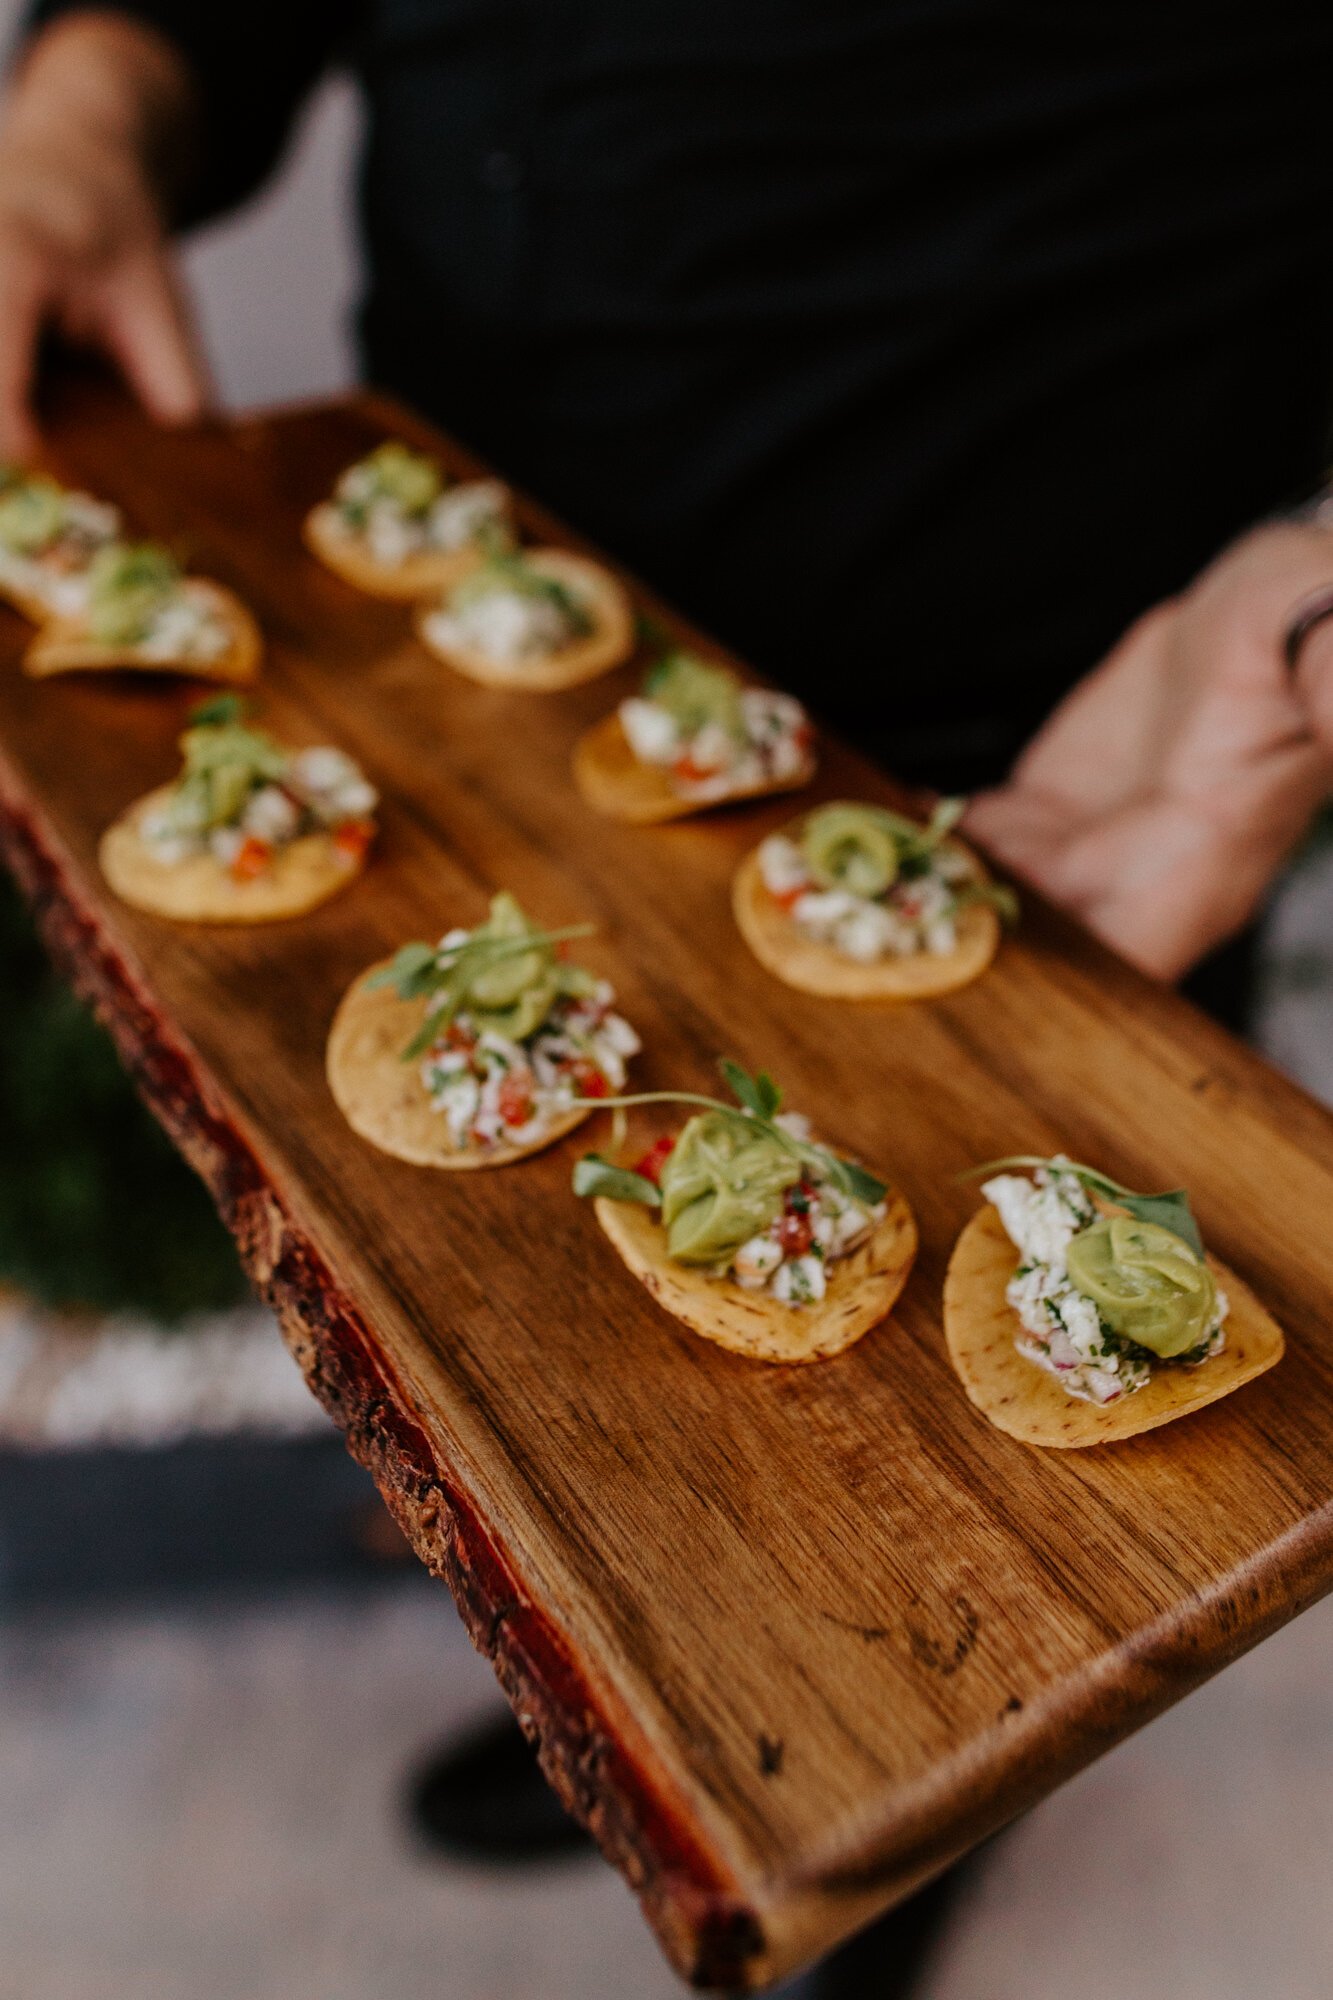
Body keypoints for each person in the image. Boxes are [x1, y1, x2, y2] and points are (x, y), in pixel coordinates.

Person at [3, 4, 1333, 1990]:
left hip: (1078, 710)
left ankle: (874, 1862)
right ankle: (638, 1746)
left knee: (947, 1544)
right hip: (483, 640)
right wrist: (92, 100)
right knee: (598, 1408)